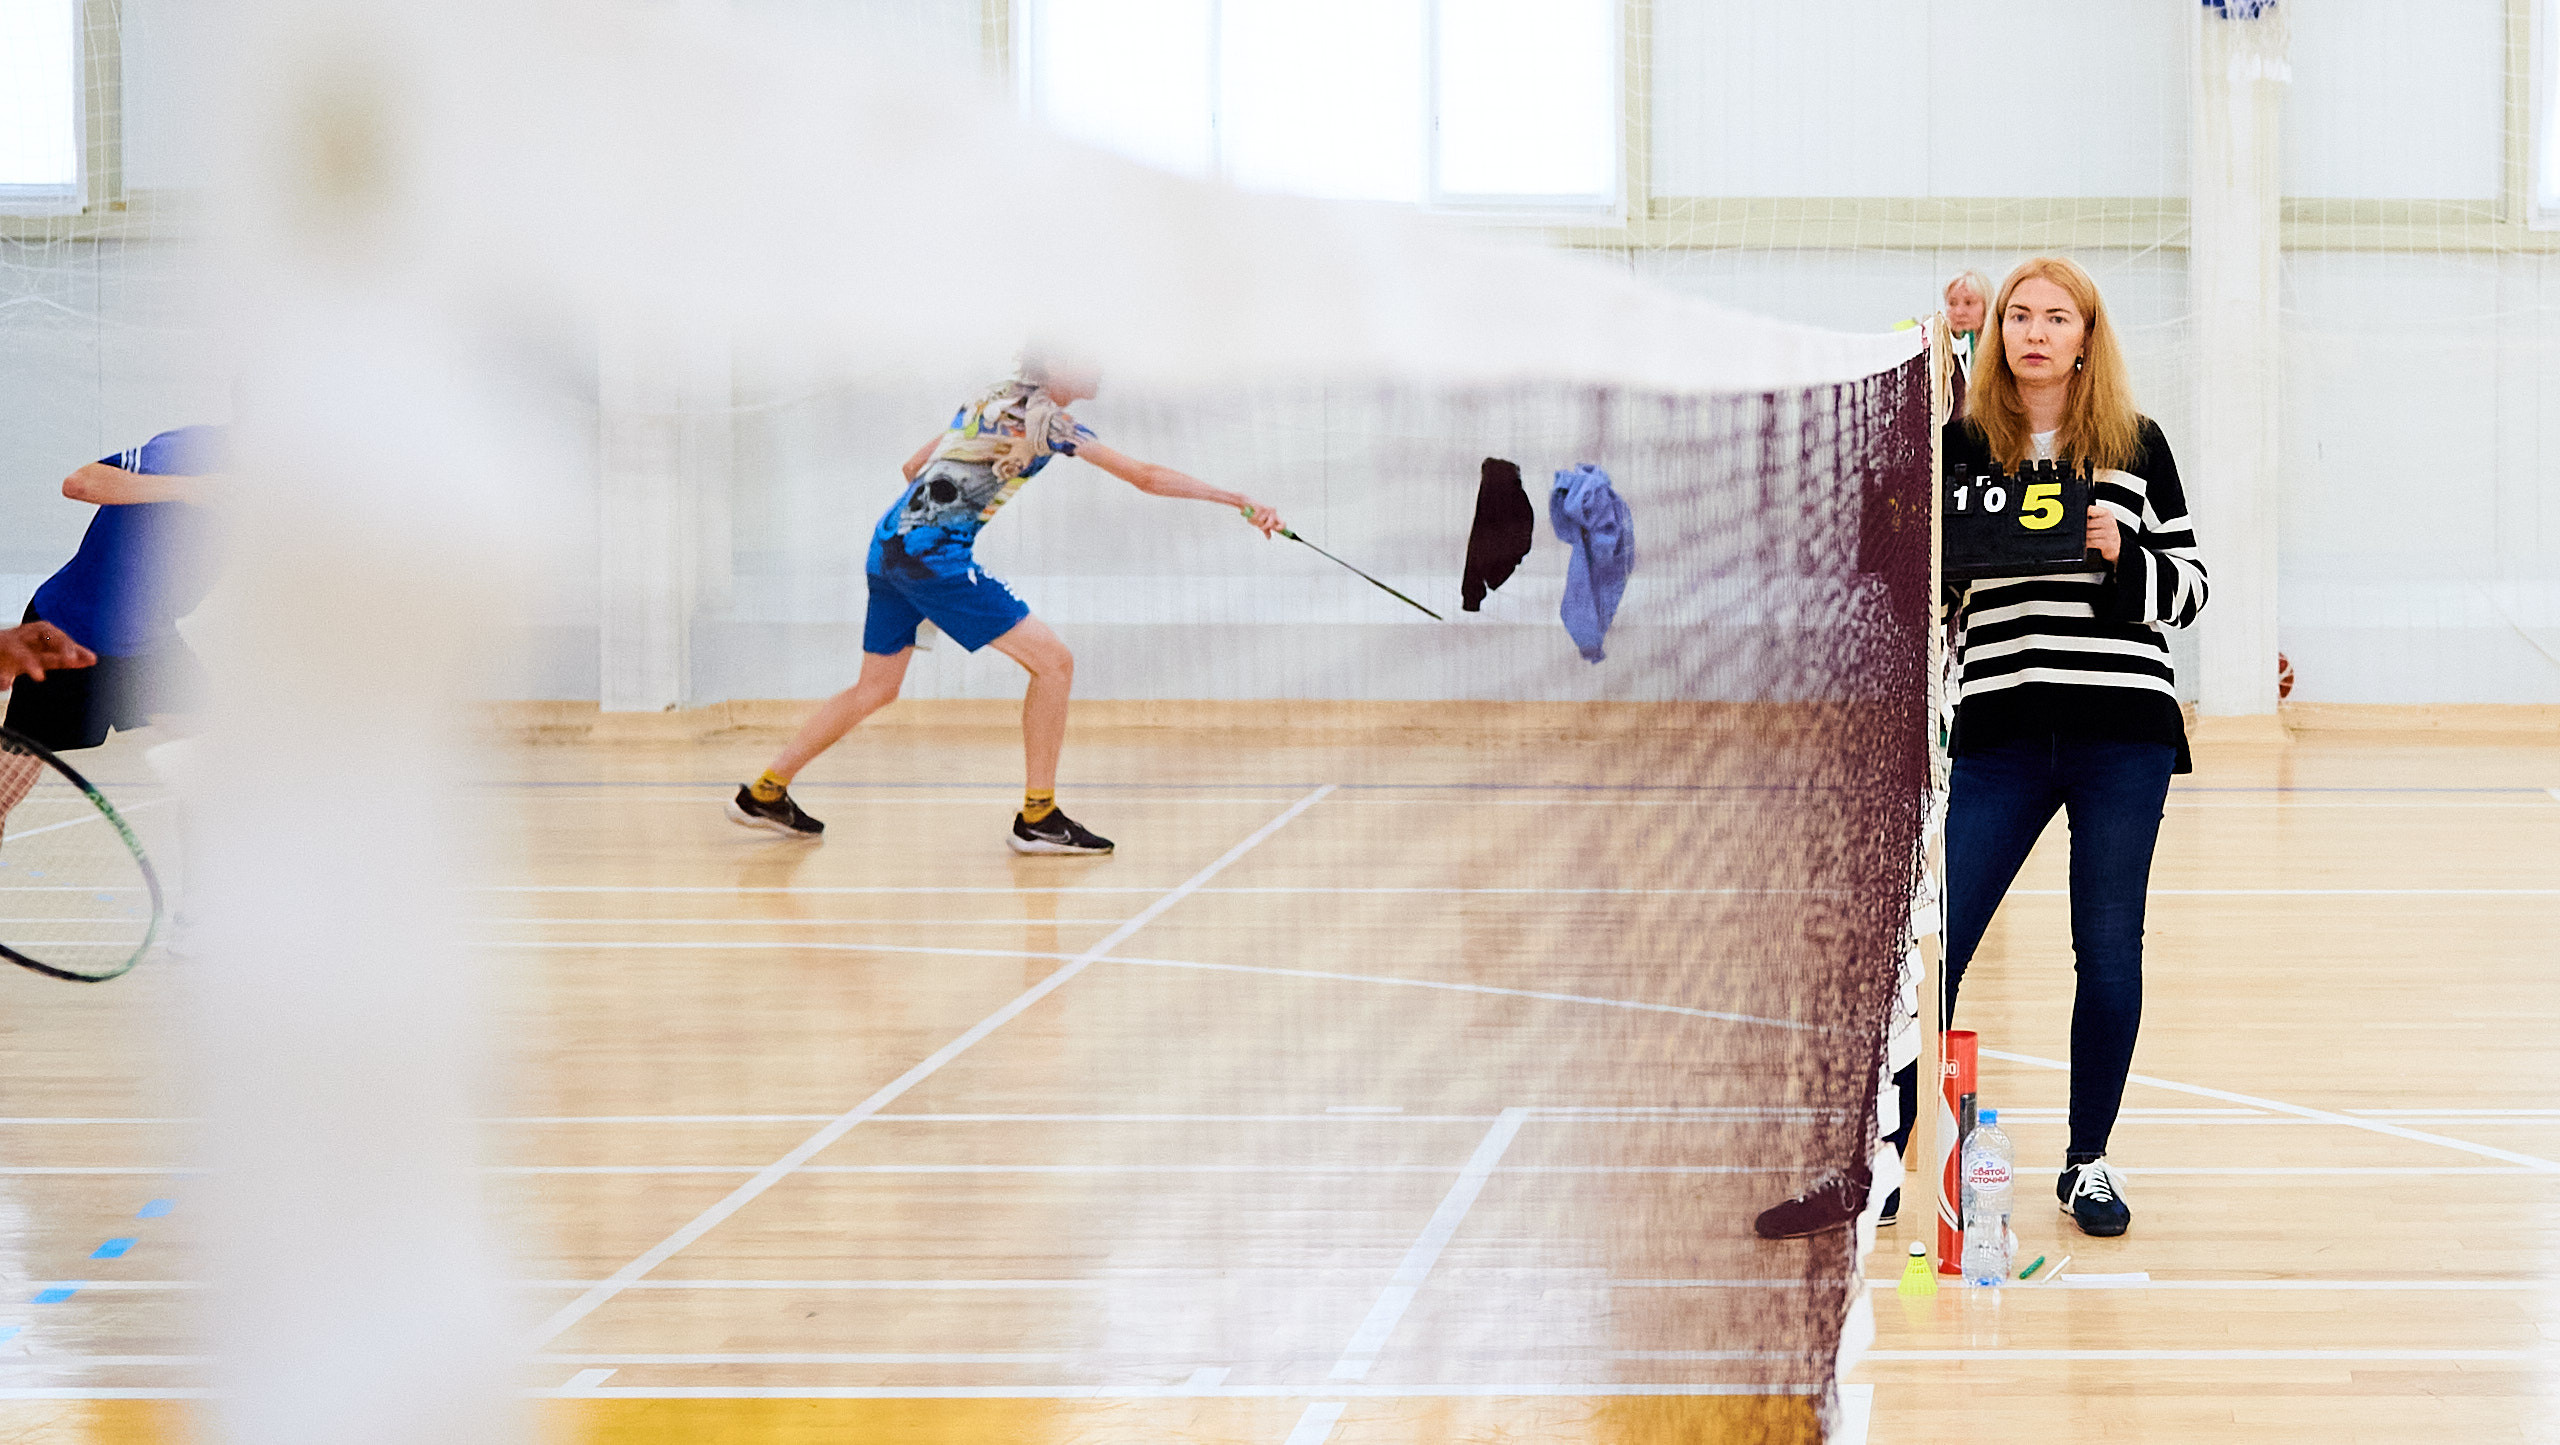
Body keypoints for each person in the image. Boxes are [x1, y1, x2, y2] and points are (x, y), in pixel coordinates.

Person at [727, 358, 1284, 853]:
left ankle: (765, 793)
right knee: (1055, 663)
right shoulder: (1051, 424)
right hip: (933, 560)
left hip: (888, 545)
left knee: (876, 688)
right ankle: (1038, 816)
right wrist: (1238, 499)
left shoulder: (991, 397)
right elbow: (1145, 477)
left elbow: (912, 468)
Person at [1939, 255, 2208, 1238]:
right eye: (2020, 314)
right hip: (2001, 736)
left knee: (2106, 951)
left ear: (2086, 336)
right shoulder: (1962, 447)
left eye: (2058, 315)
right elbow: (1933, 589)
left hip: (2120, 737)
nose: (2036, 330)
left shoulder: (2136, 446)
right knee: (1937, 950)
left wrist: (2121, 554)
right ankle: (1899, 1157)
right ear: (1999, 333)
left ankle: (2085, 1161)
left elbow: (2190, 588)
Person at [6, 427, 224, 756]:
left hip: (148, 641)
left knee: (214, 750)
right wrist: (191, 487)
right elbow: (80, 482)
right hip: (68, 631)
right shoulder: (198, 448)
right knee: (14, 773)